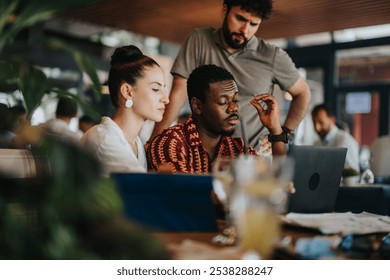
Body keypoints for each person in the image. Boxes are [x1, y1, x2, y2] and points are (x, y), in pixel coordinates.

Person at [150, 0, 311, 151]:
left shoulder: (272, 56)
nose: (245, 30)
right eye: (240, 19)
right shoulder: (199, 40)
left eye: (254, 24)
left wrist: (284, 134)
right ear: (225, 10)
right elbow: (178, 94)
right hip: (202, 155)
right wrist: (154, 142)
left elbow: (303, 93)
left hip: (250, 158)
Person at [147, 64, 286, 174]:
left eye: (236, 100)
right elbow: (184, 196)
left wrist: (275, 131)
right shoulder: (171, 142)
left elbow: (277, 182)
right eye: (223, 102)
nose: (233, 108)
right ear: (197, 106)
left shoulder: (236, 147)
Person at [80, 45, 169, 175]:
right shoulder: (105, 140)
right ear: (127, 91)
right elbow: (139, 187)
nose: (166, 99)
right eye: (156, 89)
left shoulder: (136, 143)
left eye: (164, 89)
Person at [311, 104, 360, 171]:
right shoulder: (316, 144)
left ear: (332, 120)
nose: (317, 128)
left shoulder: (345, 140)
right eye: (314, 123)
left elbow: (353, 173)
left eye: (321, 122)